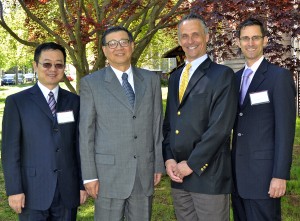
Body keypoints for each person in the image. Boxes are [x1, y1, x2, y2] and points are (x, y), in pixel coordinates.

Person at [79, 26, 164, 221]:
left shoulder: (151, 80)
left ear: (132, 46)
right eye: (112, 43)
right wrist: (90, 175)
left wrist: (157, 163)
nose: (119, 47)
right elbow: (86, 133)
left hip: (144, 172)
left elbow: (156, 125)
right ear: (104, 50)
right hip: (108, 175)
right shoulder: (91, 84)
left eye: (124, 42)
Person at [162, 13, 237, 221]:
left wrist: (192, 164)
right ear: (179, 40)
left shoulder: (222, 75)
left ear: (206, 36)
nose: (190, 41)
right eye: (184, 36)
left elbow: (220, 128)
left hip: (208, 174)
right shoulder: (176, 76)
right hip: (178, 175)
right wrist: (168, 158)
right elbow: (170, 122)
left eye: (195, 34)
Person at [1, 42, 87, 221]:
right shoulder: (17, 102)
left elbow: (80, 146)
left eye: (59, 64)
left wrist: (81, 184)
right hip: (32, 191)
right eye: (46, 64)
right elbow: (10, 151)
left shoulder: (75, 102)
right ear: (35, 65)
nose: (52, 69)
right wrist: (15, 190)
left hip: (67, 191)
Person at [231, 18, 296, 221]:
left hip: (265, 177)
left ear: (265, 40)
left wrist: (280, 175)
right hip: (237, 176)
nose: (250, 43)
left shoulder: (279, 77)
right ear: (239, 42)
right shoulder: (235, 78)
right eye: (245, 38)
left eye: (256, 38)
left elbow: (286, 132)